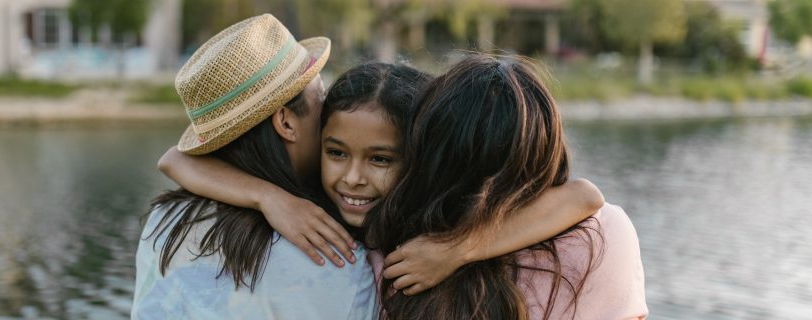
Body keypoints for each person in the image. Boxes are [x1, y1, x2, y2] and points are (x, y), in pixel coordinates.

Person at [160, 56, 607, 295]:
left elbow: (584, 196)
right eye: (336, 152)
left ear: (416, 155)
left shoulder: (436, 212)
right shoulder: (313, 196)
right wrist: (269, 198)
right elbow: (174, 159)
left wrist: (457, 250)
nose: (353, 178)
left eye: (380, 160)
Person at [366, 54, 647, 319]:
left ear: (431, 153)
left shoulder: (390, 254)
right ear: (546, 148)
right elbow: (586, 195)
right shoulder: (607, 234)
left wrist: (455, 249)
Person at [132, 14, 376, 319]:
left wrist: (265, 195)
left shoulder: (164, 222)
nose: (328, 113)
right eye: (321, 97)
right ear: (286, 122)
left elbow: (172, 159)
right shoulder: (336, 260)